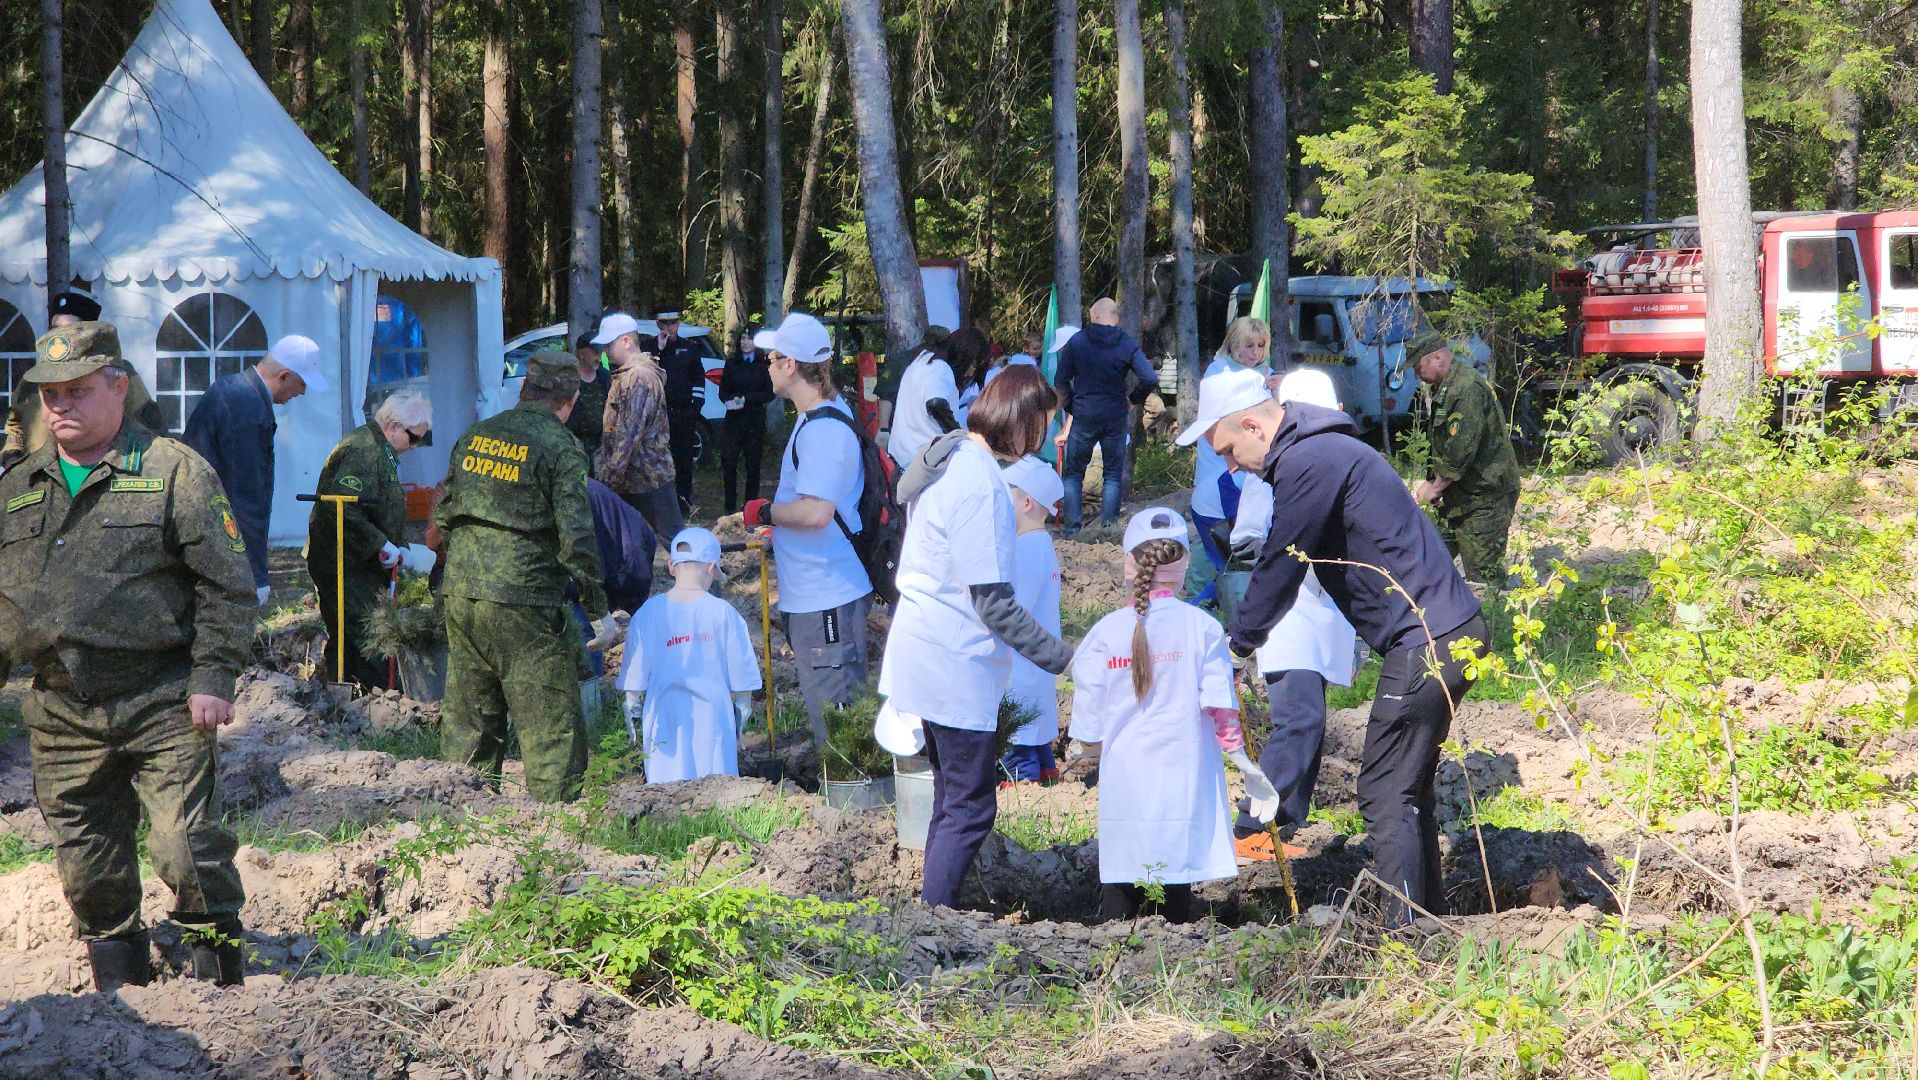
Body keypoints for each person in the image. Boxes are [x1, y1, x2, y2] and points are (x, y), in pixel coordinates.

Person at [0, 321, 256, 991]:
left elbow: (227, 584)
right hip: (61, 710)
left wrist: (213, 676)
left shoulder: (175, 471)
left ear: (118, 387)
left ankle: (220, 989)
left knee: (187, 850)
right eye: (49, 395)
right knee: (88, 868)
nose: (60, 407)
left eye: (78, 391)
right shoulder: (18, 487)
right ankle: (121, 1002)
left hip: (162, 699)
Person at [1180, 365, 1484, 922]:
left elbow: (1280, 562)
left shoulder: (1308, 460)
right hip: (1444, 631)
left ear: (1253, 425)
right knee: (1406, 787)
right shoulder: (1321, 449)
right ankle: (1428, 920)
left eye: (1226, 450)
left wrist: (1237, 644)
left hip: (1427, 636)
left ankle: (1404, 937)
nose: (1229, 464)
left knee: (1383, 790)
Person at [882, 365, 1073, 910]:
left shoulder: (950, 457)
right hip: (952, 657)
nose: (1045, 440)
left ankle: (932, 908)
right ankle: (935, 917)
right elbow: (991, 601)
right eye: (1044, 427)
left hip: (925, 644)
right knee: (970, 806)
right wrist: (1064, 658)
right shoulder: (980, 482)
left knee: (949, 798)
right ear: (1023, 423)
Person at [435, 350, 618, 803]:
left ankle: (459, 825)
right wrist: (599, 612)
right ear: (570, 399)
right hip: (524, 599)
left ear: (524, 389)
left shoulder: (476, 436)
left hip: (461, 593)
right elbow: (577, 537)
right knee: (550, 723)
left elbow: (443, 514)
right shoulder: (561, 448)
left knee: (469, 719)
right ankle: (555, 835)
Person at [1068, 508, 1262, 923]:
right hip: (1184, 766)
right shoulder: (1202, 628)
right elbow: (1220, 705)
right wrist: (1243, 761)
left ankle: (1113, 938)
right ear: (1186, 563)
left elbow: (1087, 712)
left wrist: (1090, 746)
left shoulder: (1105, 631)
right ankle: (1177, 940)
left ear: (1128, 563)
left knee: (1123, 856)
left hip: (1125, 770)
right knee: (1176, 863)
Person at [1222, 369, 1358, 863]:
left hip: (1317, 611)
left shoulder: (1315, 458)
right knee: (1298, 719)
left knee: (1311, 720)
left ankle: (1283, 825)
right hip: (1290, 612)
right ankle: (1254, 827)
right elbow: (1256, 542)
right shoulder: (1276, 470)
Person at [740, 313, 872, 751]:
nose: (767, 365)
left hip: (828, 594)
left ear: (791, 365)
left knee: (838, 721)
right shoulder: (816, 418)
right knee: (828, 711)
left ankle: (853, 805)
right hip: (816, 592)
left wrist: (767, 512)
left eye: (772, 358)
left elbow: (816, 512)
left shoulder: (824, 429)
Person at [182, 335, 328, 605]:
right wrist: (257, 575)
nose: (303, 392)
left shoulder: (232, 389)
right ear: (284, 376)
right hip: (215, 537)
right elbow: (246, 499)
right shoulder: (247, 409)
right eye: (302, 383)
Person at [307, 389, 433, 690]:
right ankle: (377, 703)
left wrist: (393, 545)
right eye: (414, 438)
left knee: (350, 636)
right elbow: (341, 506)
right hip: (344, 563)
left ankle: (345, 695)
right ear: (392, 426)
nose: (415, 447)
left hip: (358, 561)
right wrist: (379, 543)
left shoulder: (379, 449)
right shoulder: (363, 451)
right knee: (368, 634)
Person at [618, 527, 763, 784]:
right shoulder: (723, 613)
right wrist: (743, 707)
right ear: (711, 568)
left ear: (672, 567)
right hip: (713, 716)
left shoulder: (648, 613)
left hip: (664, 714)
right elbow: (742, 673)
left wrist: (632, 703)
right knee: (715, 783)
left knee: (665, 783)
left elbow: (634, 674)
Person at [1407, 332, 1522, 587]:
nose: (1417, 375)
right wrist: (1433, 484)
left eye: (1418, 366)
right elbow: (1441, 443)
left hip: (1485, 498)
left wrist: (1435, 487)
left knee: (1483, 577)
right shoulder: (1446, 388)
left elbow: (1461, 448)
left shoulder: (1466, 388)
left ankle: (1500, 621)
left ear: (1437, 358)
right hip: (1457, 496)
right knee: (1428, 561)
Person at [3, 290, 163, 471]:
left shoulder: (113, 372)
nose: (62, 336)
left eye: (71, 329)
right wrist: (11, 456)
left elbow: (148, 421)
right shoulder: (33, 378)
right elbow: (15, 424)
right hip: (38, 476)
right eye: (56, 329)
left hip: (100, 470)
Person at [1188, 317, 1274, 604]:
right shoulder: (1219, 372)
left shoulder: (1266, 373)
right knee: (1213, 534)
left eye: (1260, 346)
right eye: (1248, 346)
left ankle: (1218, 594)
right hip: (1220, 470)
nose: (1254, 353)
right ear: (1233, 344)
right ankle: (1200, 593)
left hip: (1246, 475)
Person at [1054, 299, 1158, 534]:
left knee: (1073, 473)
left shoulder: (1077, 342)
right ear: (1116, 317)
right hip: (1115, 415)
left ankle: (1072, 529)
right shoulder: (1127, 344)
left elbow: (1061, 380)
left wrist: (1072, 407)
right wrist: (1133, 400)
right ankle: (1108, 528)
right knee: (1112, 474)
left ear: (1095, 316)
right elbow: (1150, 378)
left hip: (1084, 414)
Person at [997, 454, 1065, 784]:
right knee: (1035, 732)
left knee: (1017, 738)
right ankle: (1047, 774)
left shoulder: (1024, 548)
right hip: (1038, 664)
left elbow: (1013, 609)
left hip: (1020, 666)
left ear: (1025, 502)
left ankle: (1026, 791)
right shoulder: (1043, 544)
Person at [593, 312, 683, 545]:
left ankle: (708, 579)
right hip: (630, 478)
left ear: (626, 342)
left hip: (649, 478)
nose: (604, 351)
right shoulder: (627, 375)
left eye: (608, 345)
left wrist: (607, 478)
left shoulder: (639, 377)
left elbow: (628, 434)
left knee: (677, 544)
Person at [574, 477, 656, 684]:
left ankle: (593, 695)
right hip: (617, 547)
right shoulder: (563, 478)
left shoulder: (567, 488)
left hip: (625, 553)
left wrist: (596, 609)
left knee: (586, 624)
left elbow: (583, 557)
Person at [652, 309, 708, 514]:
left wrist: (695, 408)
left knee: (683, 461)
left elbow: (698, 379)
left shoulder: (690, 348)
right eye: (665, 324)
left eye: (673, 323)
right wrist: (660, 350)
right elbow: (649, 373)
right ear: (659, 326)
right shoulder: (650, 347)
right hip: (658, 414)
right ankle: (662, 505)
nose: (670, 328)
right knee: (659, 460)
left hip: (683, 413)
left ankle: (684, 503)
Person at [719, 328, 775, 514]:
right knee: (729, 464)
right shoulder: (731, 364)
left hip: (753, 421)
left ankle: (750, 507)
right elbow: (723, 391)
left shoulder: (763, 365)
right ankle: (729, 507)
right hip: (734, 421)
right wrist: (730, 401)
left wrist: (747, 399)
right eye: (743, 338)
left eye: (749, 339)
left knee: (753, 466)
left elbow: (768, 393)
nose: (745, 342)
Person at [887, 330, 962, 467]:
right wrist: (957, 434)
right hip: (924, 462)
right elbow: (935, 403)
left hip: (902, 460)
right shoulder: (938, 366)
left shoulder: (916, 364)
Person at [565, 331, 610, 460]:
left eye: (600, 353)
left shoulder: (605, 377)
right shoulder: (569, 379)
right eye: (595, 353)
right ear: (581, 354)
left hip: (600, 447)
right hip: (575, 447)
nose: (599, 359)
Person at [946, 328, 994, 428]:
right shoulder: (941, 373)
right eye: (972, 365)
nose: (971, 373)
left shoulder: (969, 384)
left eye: (976, 367)